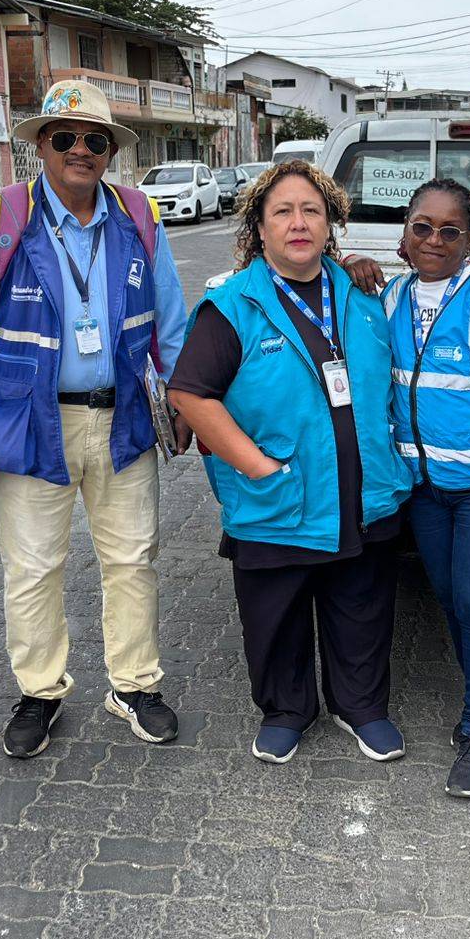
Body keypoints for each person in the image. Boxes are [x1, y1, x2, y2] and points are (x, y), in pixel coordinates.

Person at [0, 80, 189, 761]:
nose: (81, 150)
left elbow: (170, 321)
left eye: (95, 140)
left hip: (125, 419)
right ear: (41, 146)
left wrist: (180, 403)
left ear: (111, 152)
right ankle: (40, 691)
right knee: (32, 567)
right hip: (30, 423)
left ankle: (134, 686)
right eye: (65, 138)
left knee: (132, 560)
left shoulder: (141, 216)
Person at [168, 161, 412, 766]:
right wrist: (256, 467)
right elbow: (191, 394)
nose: (298, 223)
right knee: (275, 614)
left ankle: (362, 707)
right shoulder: (232, 306)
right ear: (259, 227)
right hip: (278, 493)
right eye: (282, 211)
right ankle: (286, 710)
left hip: (364, 491)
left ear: (331, 224)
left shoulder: (362, 296)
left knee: (361, 606)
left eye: (311, 211)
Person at [343, 178, 470, 798]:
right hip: (425, 489)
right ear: (404, 234)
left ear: (469, 239)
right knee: (453, 598)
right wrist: (346, 262)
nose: (434, 239)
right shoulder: (391, 296)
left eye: (450, 230)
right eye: (422, 227)